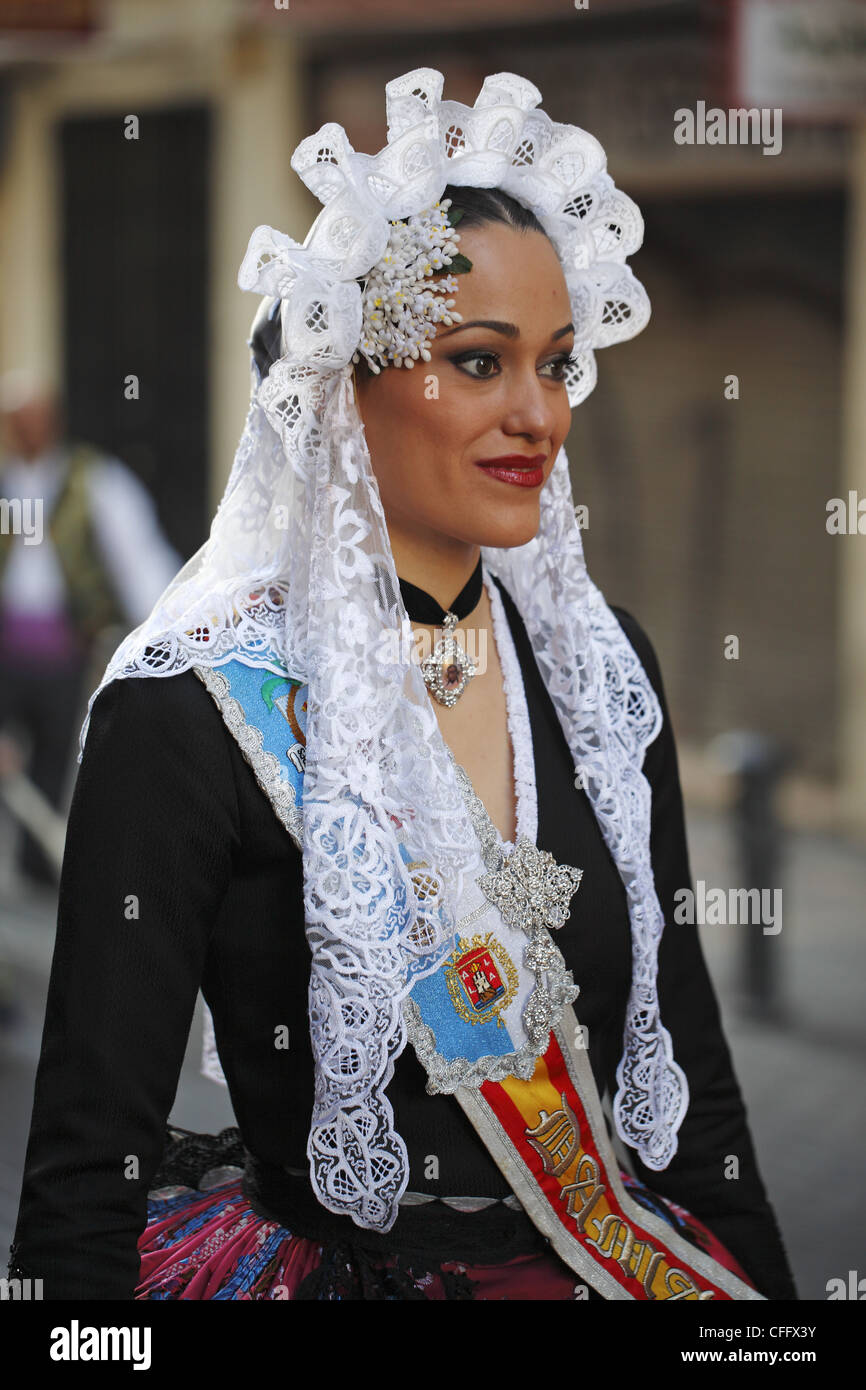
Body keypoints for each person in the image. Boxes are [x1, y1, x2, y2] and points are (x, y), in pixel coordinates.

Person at [7, 69, 797, 1302]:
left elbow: (690, 1083)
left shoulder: (599, 675)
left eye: (557, 362)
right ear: (337, 387)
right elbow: (78, 1180)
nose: (538, 414)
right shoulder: (189, 713)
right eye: (477, 362)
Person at [0, 369, 181, 887]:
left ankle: (37, 870)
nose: (28, 431)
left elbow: (141, 565)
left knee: (54, 759)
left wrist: (167, 636)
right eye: (18, 422)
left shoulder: (93, 481)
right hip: (6, 652)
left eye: (36, 419)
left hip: (62, 652)